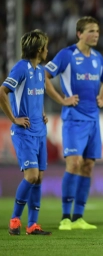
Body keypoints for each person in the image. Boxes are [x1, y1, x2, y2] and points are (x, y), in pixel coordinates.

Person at [44, 16, 103, 230]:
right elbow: (44, 75)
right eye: (91, 31)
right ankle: (65, 217)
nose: (96, 34)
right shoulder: (67, 55)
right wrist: (62, 99)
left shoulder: (98, 58)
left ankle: (79, 217)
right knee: (73, 164)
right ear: (79, 34)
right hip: (73, 119)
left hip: (93, 120)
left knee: (88, 166)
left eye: (97, 31)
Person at [0, 30, 51, 235]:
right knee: (31, 176)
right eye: (46, 47)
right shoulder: (21, 68)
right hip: (24, 133)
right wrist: (13, 119)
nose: (48, 50)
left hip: (40, 131)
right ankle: (14, 220)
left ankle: (33, 225)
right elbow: (2, 91)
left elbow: (35, 97)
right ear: (39, 49)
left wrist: (43, 113)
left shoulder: (40, 71)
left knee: (38, 178)